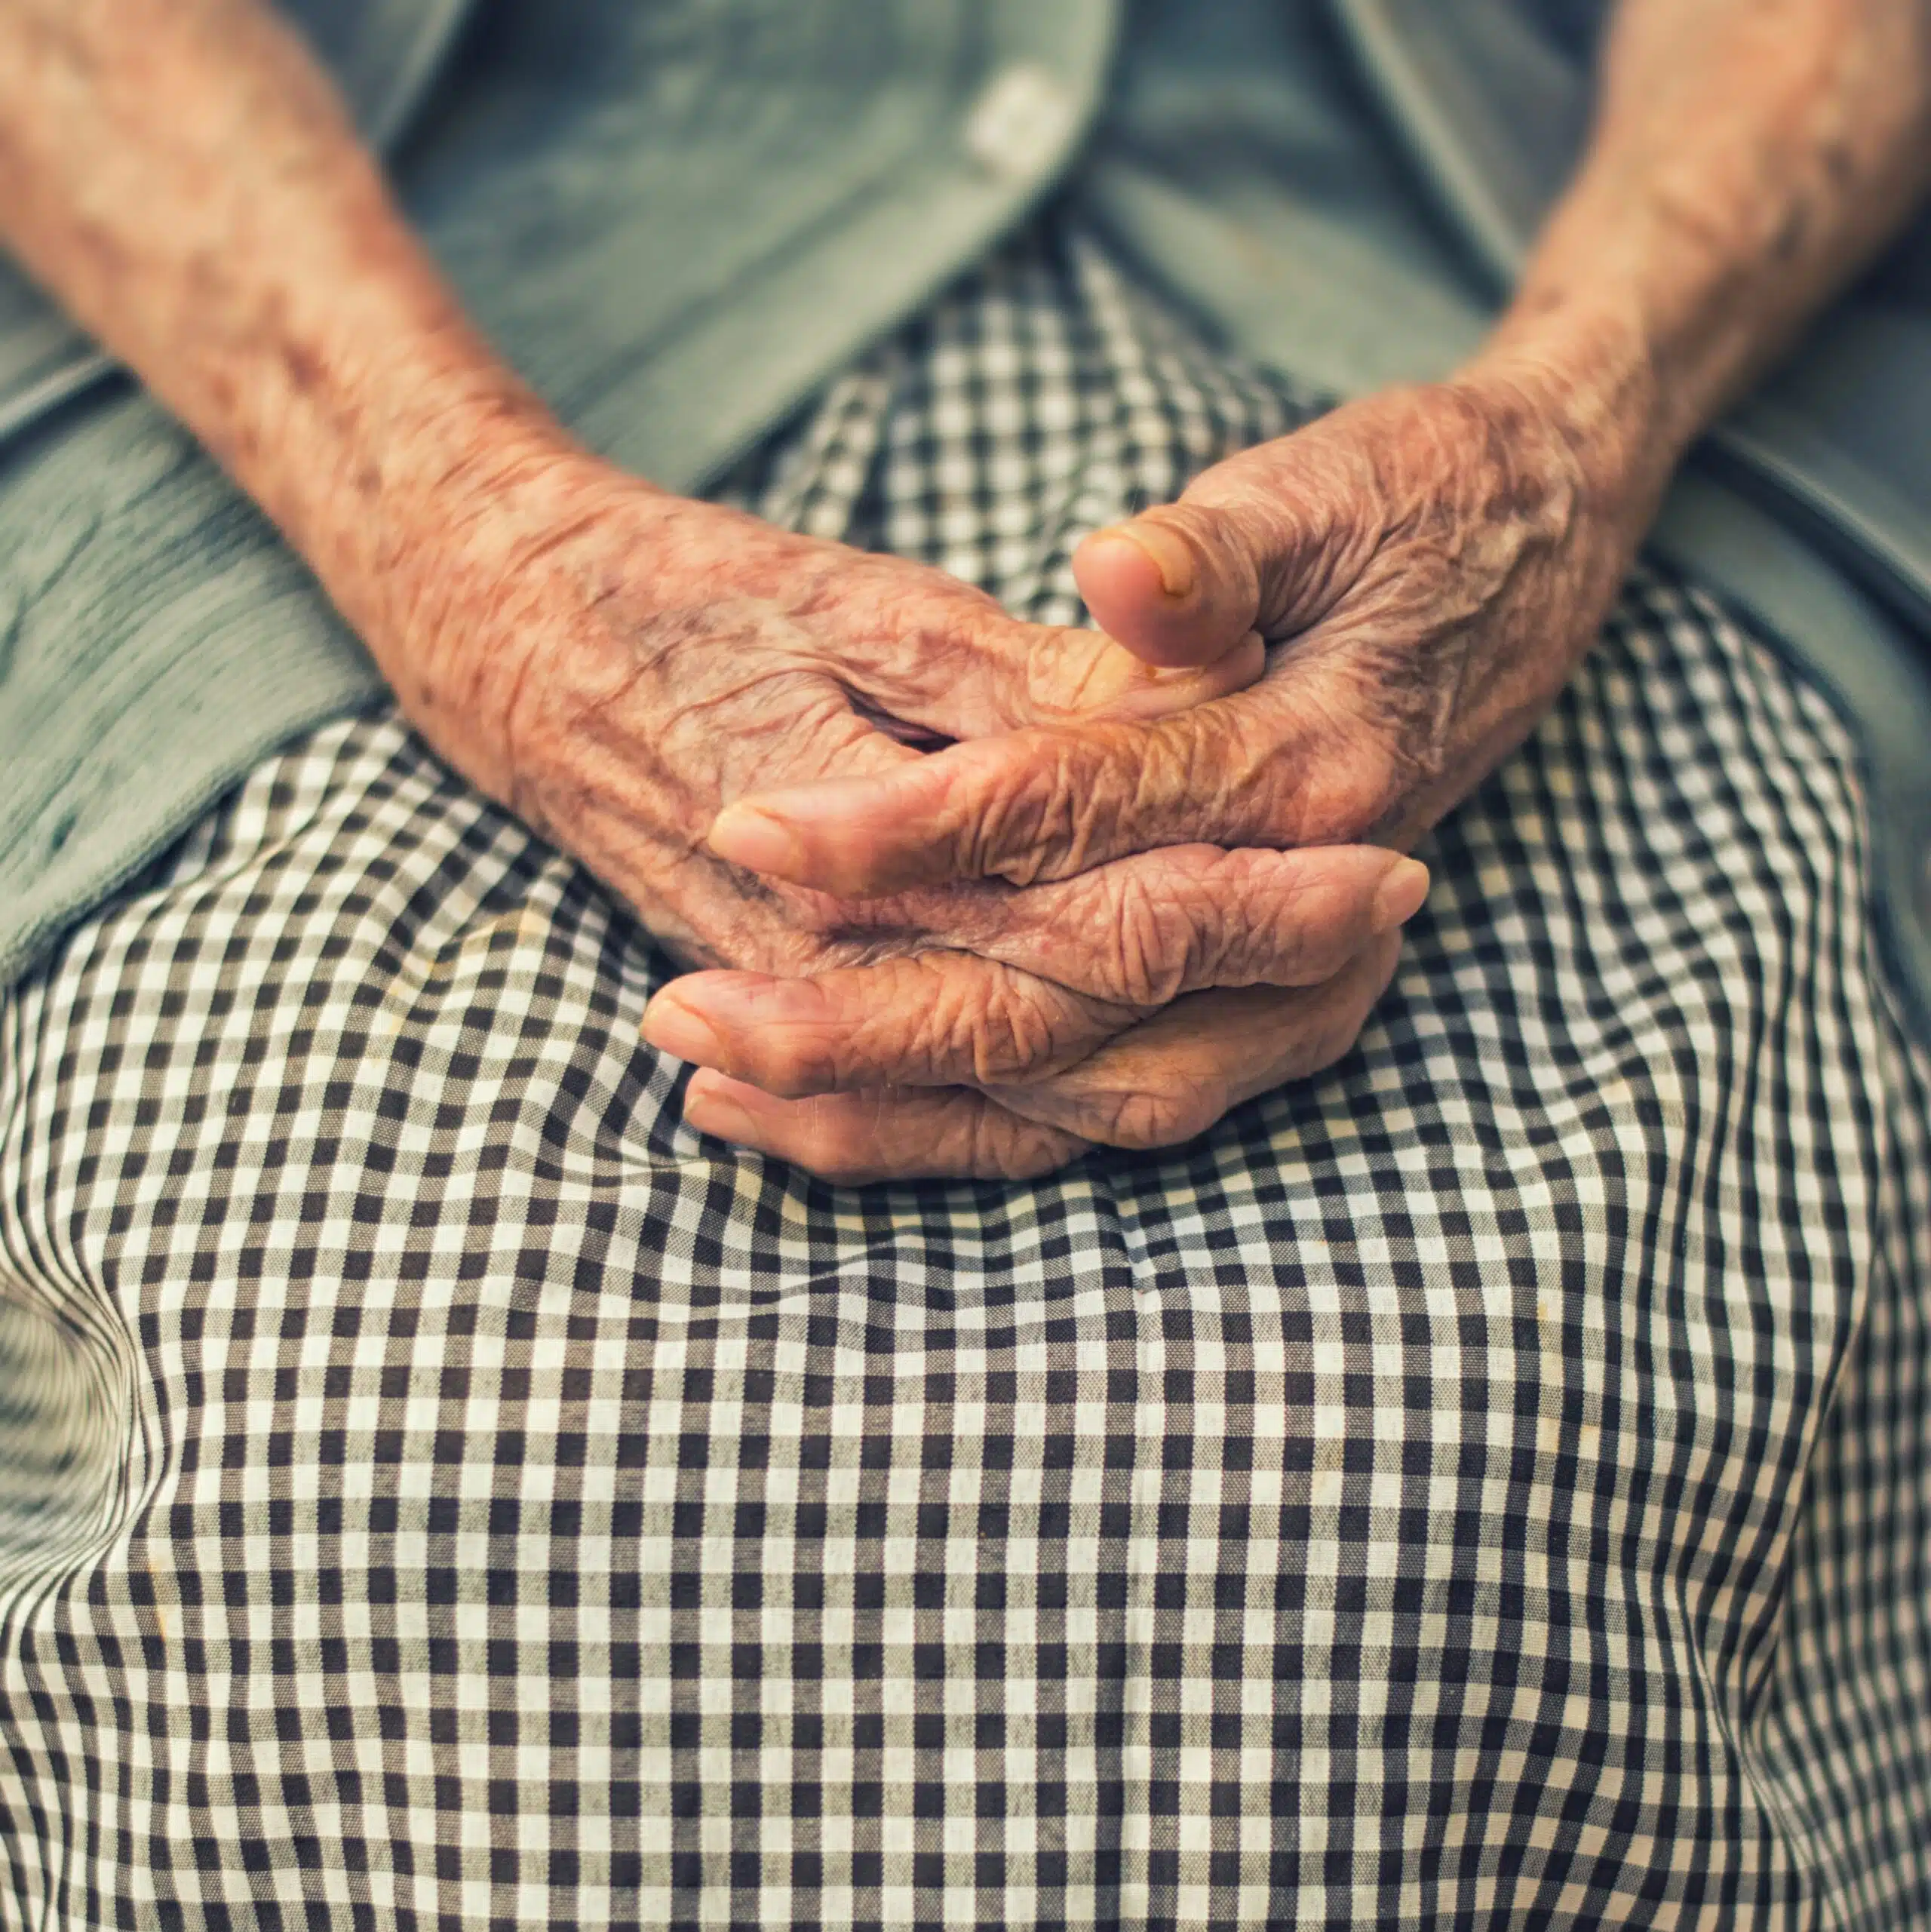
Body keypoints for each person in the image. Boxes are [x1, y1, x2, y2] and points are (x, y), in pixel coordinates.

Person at [0, 0, 1926, 1923]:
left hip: (1543, 309)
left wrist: (1573, 428)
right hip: (324, 341)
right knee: (351, 1470)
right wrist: (458, 536)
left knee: (1466, 1473)